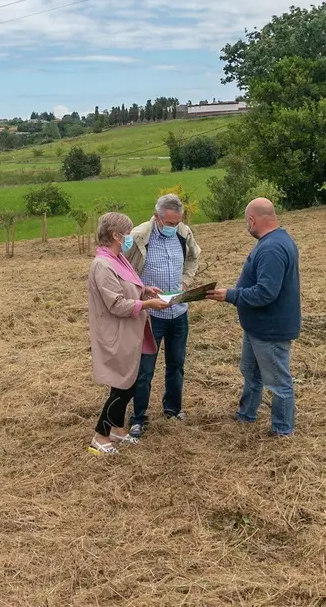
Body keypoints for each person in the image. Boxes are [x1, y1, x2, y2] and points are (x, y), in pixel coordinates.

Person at [207, 198, 301, 436]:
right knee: (251, 372)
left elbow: (266, 292)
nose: (246, 227)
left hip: (270, 329)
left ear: (252, 220)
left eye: (246, 222)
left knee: (278, 381)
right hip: (257, 327)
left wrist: (231, 295)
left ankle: (282, 430)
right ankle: (246, 413)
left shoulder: (271, 248)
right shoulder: (275, 241)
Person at [87, 212, 167, 455]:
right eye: (128, 233)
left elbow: (129, 286)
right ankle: (100, 436)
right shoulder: (102, 265)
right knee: (123, 386)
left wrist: (144, 291)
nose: (131, 237)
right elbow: (117, 304)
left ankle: (117, 429)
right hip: (117, 332)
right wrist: (148, 305)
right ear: (115, 235)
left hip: (130, 331)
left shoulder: (118, 258)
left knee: (128, 382)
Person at [124, 194, 201, 436]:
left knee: (176, 364)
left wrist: (187, 281)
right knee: (145, 369)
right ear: (157, 217)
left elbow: (193, 258)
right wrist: (140, 295)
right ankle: (138, 417)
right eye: (168, 223)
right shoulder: (138, 237)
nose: (173, 227)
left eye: (176, 222)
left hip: (179, 312)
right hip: (150, 316)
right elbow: (123, 271)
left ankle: (172, 409)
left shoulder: (183, 233)